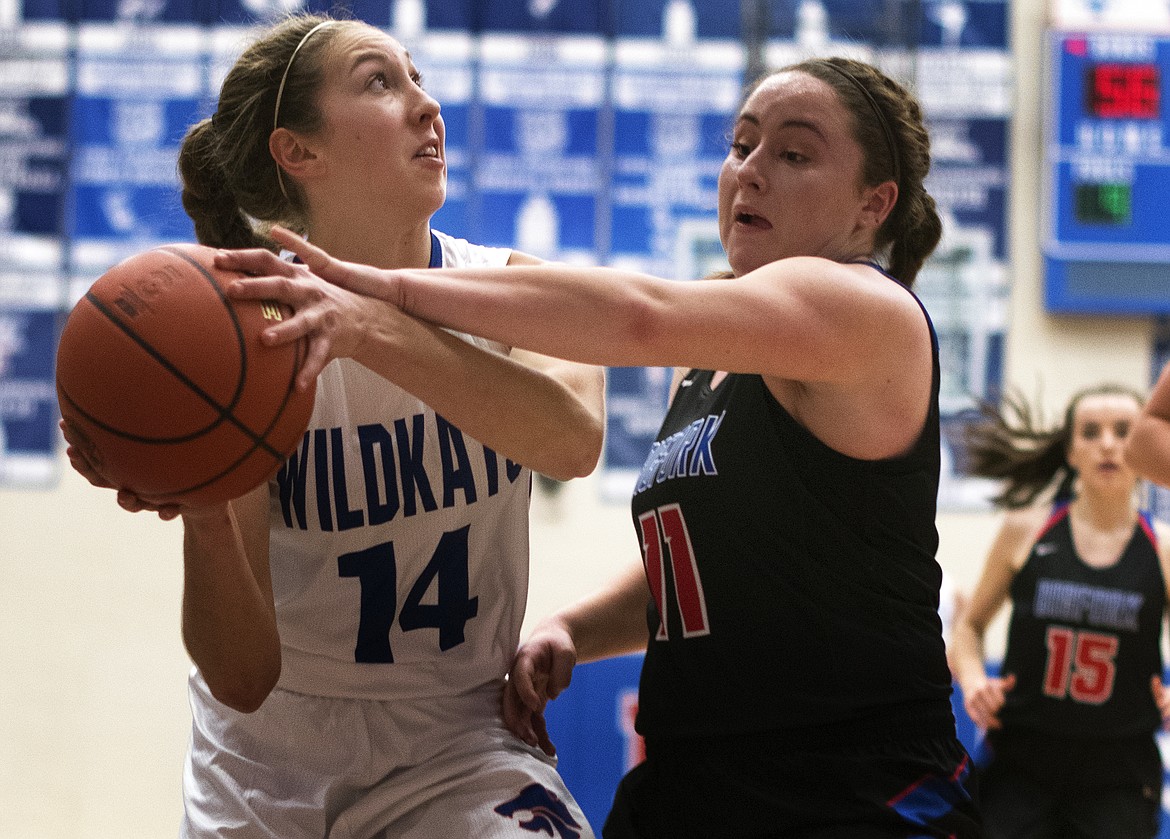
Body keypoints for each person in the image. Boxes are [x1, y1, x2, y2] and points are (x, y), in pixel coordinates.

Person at [217, 55, 981, 837]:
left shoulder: (866, 308)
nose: (750, 171)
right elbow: (707, 565)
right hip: (696, 779)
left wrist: (385, 290)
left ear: (872, 204)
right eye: (741, 144)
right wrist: (575, 629)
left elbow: (637, 316)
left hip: (851, 787)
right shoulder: (720, 345)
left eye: (793, 153)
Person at [61, 13, 606, 839]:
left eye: (418, 77)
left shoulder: (514, 287)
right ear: (298, 152)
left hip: (458, 748)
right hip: (266, 769)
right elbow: (243, 676)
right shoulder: (245, 342)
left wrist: (369, 326)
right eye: (380, 81)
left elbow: (573, 439)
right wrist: (203, 508)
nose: (426, 104)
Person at [948, 384, 1170, 839]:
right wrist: (973, 683)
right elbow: (969, 626)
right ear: (1070, 451)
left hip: (1120, 770)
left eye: (1123, 431)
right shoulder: (1026, 528)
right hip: (1022, 760)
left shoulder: (1163, 546)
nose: (1107, 444)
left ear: (1143, 448)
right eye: (1090, 432)